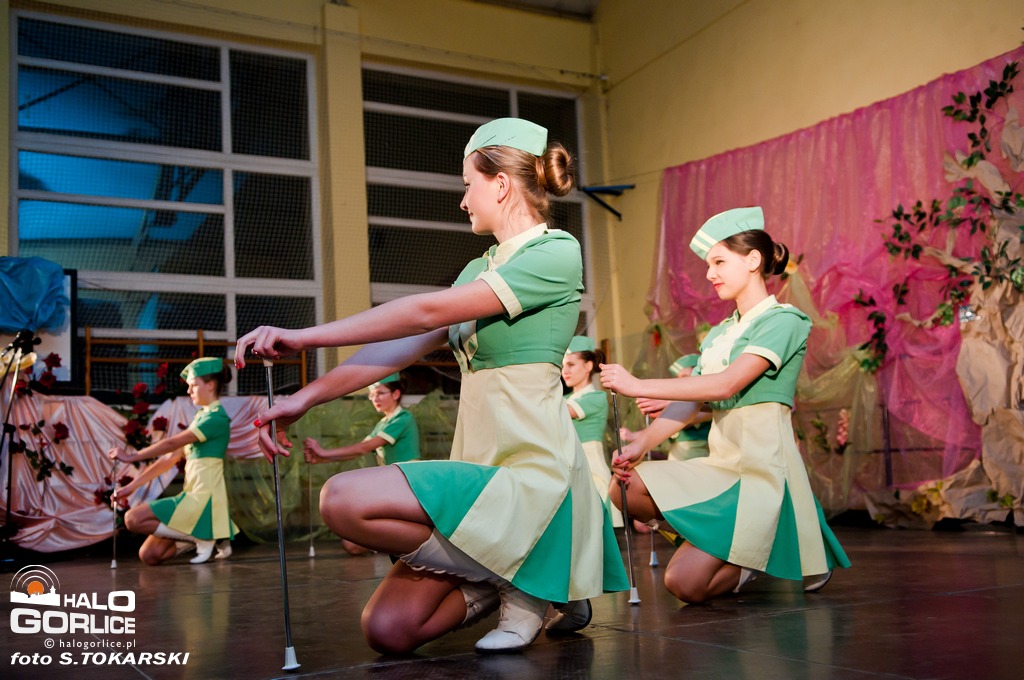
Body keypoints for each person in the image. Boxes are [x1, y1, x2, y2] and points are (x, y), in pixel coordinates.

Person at [235, 118, 628, 655]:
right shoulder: (477, 269)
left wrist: (303, 336)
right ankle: (519, 575)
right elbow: (398, 348)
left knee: (342, 498)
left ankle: (530, 580)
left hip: (533, 471)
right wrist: (304, 398)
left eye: (468, 185)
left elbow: (422, 313)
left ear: (500, 184)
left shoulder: (555, 251)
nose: (463, 201)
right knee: (388, 629)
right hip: (480, 465)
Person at [599, 206, 850, 604]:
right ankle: (743, 549)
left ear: (753, 261)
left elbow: (727, 383)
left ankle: (761, 548)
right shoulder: (719, 333)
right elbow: (695, 398)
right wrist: (642, 443)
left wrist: (637, 384)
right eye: (708, 264)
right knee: (623, 488)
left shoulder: (784, 321)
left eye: (718, 262)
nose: (709, 273)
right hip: (721, 465)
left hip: (761, 471)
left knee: (683, 584)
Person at [110, 357, 238, 565]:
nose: (189, 391)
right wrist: (131, 487)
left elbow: (170, 444)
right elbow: (170, 458)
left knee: (132, 519)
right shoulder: (201, 417)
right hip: (191, 495)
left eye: (193, 385)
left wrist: (131, 456)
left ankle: (203, 536)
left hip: (203, 499)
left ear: (210, 385)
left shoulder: (215, 418)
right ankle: (202, 536)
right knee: (149, 555)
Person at [303, 372, 420, 555]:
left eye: (380, 393)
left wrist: (323, 452)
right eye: (371, 395)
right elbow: (358, 450)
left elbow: (363, 448)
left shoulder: (403, 418)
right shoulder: (383, 423)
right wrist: (320, 459)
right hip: (391, 485)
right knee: (352, 545)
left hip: (409, 485)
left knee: (356, 544)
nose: (375, 399)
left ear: (396, 394)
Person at [561, 335, 621, 527]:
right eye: (562, 365)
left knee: (594, 528)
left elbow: (555, 412)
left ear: (588, 366)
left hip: (590, 470)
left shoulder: (596, 398)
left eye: (571, 364)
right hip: (569, 467)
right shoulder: (564, 399)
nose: (565, 371)